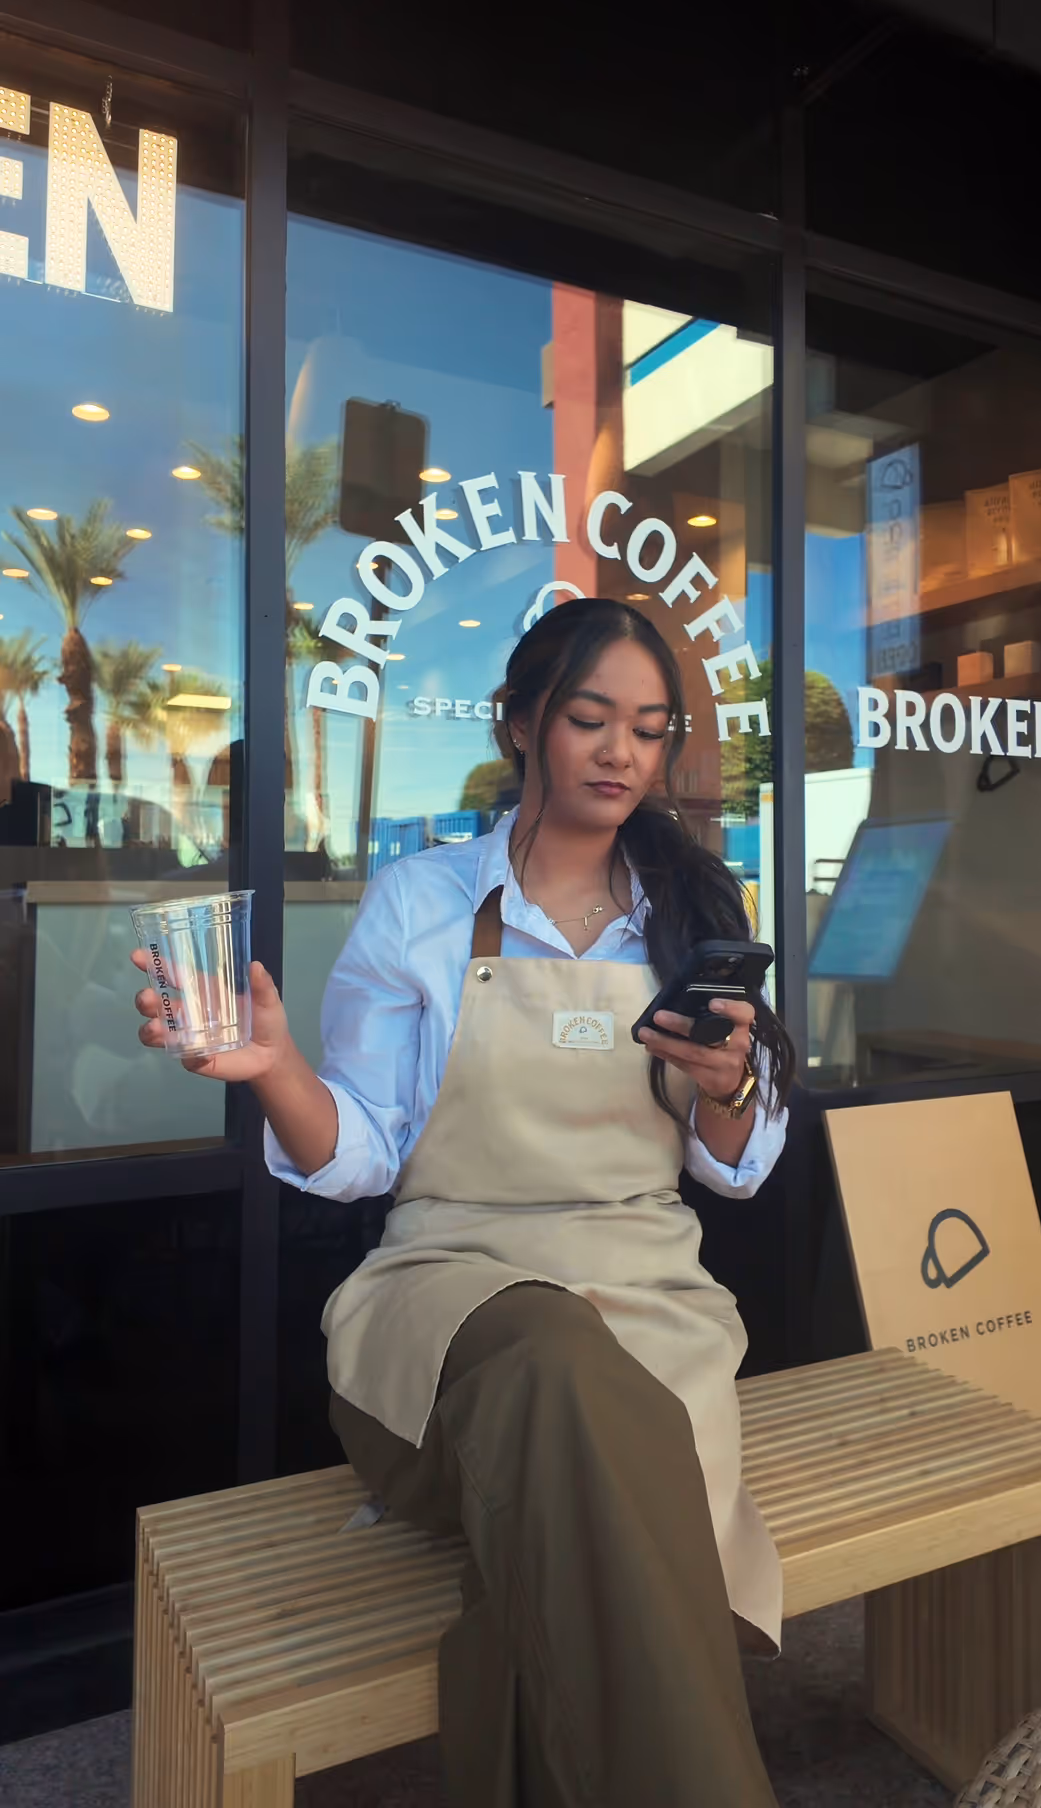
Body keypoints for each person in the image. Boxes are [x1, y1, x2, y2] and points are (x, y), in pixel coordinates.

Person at [133, 597, 795, 1808]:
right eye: (590, 719)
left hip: (652, 1298)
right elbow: (362, 1154)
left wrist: (729, 1088)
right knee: (552, 1353)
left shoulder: (695, 919)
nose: (620, 754)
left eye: (649, 731)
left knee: (563, 1487)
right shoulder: (422, 903)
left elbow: (737, 1165)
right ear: (522, 725)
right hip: (449, 1298)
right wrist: (274, 1071)